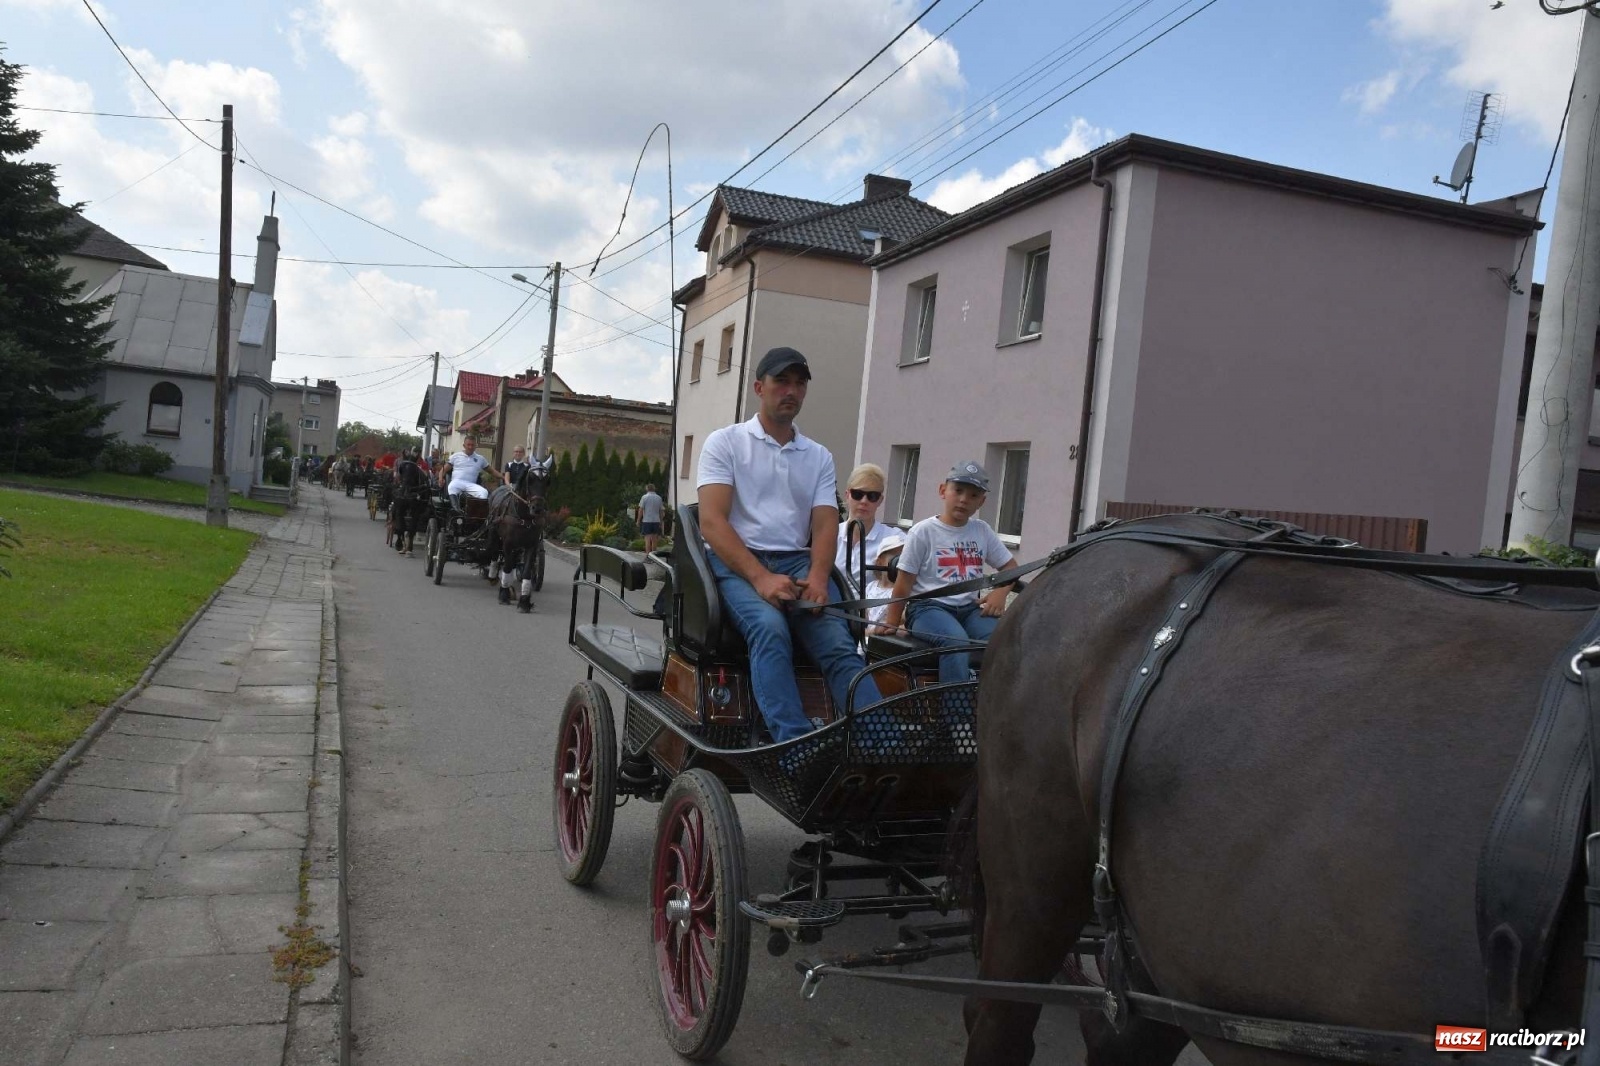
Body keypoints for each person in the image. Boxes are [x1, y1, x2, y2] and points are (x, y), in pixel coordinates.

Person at [697, 346, 884, 744]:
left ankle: (879, 738)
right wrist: (761, 578)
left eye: (800, 384)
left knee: (837, 640)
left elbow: (825, 523)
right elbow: (712, 521)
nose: (791, 390)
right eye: (782, 381)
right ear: (758, 387)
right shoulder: (725, 443)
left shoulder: (817, 455)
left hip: (798, 563)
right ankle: (792, 744)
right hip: (738, 564)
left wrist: (818, 578)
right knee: (769, 629)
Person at [881, 461, 1019, 686]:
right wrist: (892, 623)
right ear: (943, 491)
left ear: (981, 501)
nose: (964, 499)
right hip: (927, 609)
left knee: (1003, 640)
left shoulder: (981, 531)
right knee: (956, 642)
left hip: (969, 609)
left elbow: (1011, 567)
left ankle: (990, 708)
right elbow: (904, 584)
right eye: (959, 491)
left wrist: (1000, 593)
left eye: (973, 495)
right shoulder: (923, 532)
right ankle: (956, 717)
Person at [834, 462, 895, 594]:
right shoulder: (831, 535)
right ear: (847, 495)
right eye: (858, 494)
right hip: (834, 608)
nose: (864, 501)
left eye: (872, 496)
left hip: (872, 611)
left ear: (880, 500)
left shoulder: (894, 539)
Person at [440, 434, 499, 501]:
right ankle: (456, 510)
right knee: (451, 486)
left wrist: (503, 477)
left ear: (476, 446)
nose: (470, 447)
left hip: (471, 485)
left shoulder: (480, 459)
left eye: (472, 445)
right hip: (457, 482)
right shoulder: (456, 456)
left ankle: (477, 510)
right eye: (468, 445)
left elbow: (492, 471)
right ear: (464, 445)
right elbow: (443, 470)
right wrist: (440, 479)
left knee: (484, 492)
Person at [636, 483, 665, 554]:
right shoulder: (659, 498)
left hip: (647, 521)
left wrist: (638, 520)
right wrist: (661, 522)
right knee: (654, 540)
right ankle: (654, 557)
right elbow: (661, 511)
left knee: (647, 540)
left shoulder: (644, 497)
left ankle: (648, 557)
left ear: (647, 489)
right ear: (654, 489)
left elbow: (641, 510)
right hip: (656, 521)